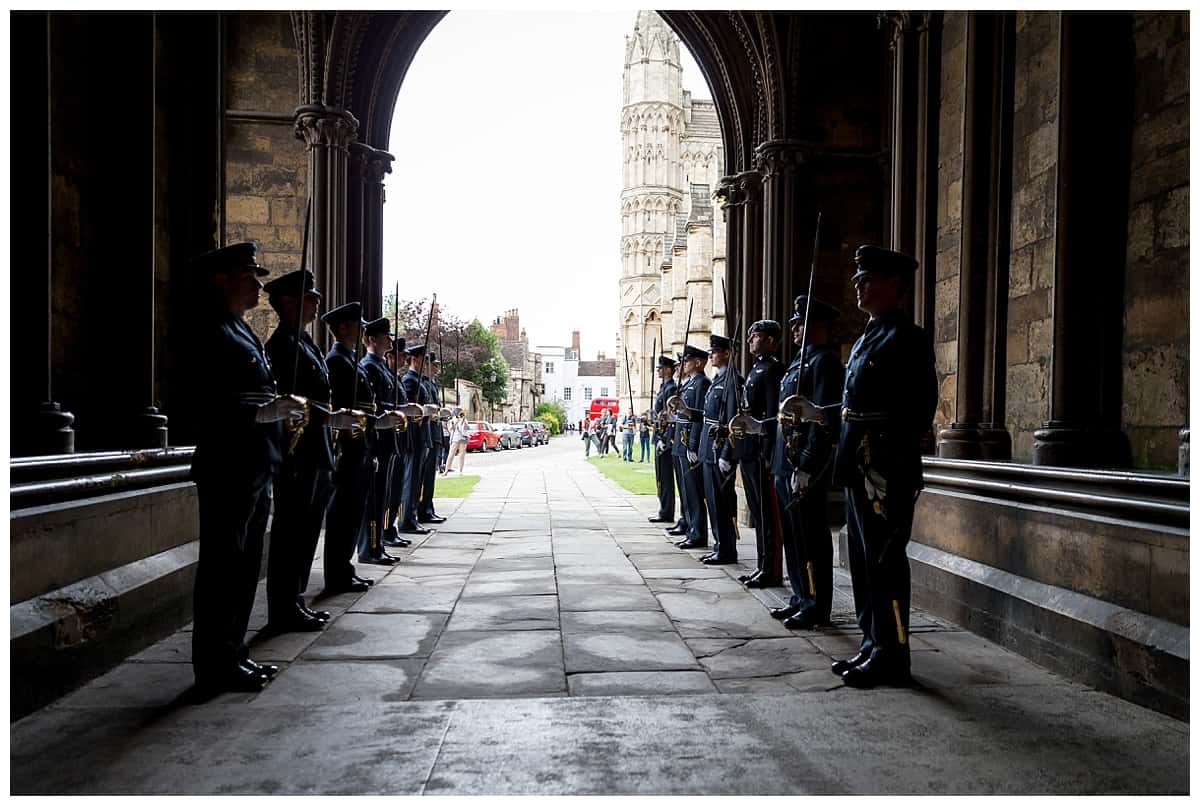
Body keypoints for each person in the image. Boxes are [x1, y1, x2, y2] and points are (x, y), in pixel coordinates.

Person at [187, 241, 297, 694]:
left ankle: (233, 653)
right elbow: (201, 401)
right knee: (222, 569)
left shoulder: (242, 329)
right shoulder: (209, 329)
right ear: (223, 279)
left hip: (254, 465)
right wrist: (260, 413)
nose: (257, 283)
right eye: (250, 274)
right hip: (228, 464)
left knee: (245, 565)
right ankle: (213, 665)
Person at [831, 245, 937, 688]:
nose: (859, 285)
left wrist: (887, 461)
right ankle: (874, 643)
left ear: (894, 284)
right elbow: (854, 404)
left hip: (885, 468)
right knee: (863, 558)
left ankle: (895, 654)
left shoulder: (907, 338)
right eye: (858, 279)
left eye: (867, 278)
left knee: (886, 559)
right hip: (861, 462)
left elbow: (920, 408)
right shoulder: (866, 337)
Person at [262, 268, 333, 635]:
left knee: (305, 532)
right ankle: (284, 606)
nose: (317, 301)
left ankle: (295, 599)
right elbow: (293, 402)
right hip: (297, 450)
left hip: (315, 447)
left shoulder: (306, 344)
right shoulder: (282, 346)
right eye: (310, 296)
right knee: (290, 533)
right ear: (288, 302)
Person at [770, 300, 843, 626]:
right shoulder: (799, 363)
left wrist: (808, 465)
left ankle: (816, 603)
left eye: (801, 323)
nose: (795, 328)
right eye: (795, 322)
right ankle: (801, 595)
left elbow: (822, 418)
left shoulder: (824, 362)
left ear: (820, 326)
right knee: (794, 535)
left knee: (811, 537)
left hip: (804, 463)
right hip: (786, 460)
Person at [321, 301, 379, 594]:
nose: (362, 331)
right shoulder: (337, 361)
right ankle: (337, 572)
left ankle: (345, 568)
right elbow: (344, 408)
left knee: (353, 512)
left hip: (361, 445)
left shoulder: (351, 361)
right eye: (358, 326)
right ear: (343, 327)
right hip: (349, 447)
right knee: (342, 514)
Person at [738, 320, 786, 589]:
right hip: (749, 449)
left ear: (770, 340)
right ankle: (761, 564)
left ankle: (772, 568)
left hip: (762, 451)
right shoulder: (756, 368)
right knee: (758, 512)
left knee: (769, 515)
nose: (750, 341)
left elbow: (771, 415)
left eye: (755, 336)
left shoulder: (773, 370)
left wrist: (768, 452)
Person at [357, 316, 403, 566]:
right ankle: (370, 546)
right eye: (386, 337)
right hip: (377, 437)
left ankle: (378, 545)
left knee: (382, 496)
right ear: (373, 339)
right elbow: (374, 404)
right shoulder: (370, 366)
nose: (390, 341)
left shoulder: (382, 367)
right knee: (373, 499)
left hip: (387, 437)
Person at [699, 333, 741, 564]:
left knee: (723, 502)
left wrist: (727, 454)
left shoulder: (732, 381)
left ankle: (726, 548)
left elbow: (733, 421)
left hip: (720, 448)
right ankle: (719, 544)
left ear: (727, 353)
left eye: (714, 352)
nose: (711, 355)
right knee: (712, 500)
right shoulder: (718, 380)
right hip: (709, 447)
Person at [672, 343, 711, 549]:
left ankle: (697, 532)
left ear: (698, 362)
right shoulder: (689, 384)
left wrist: (692, 445)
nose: (684, 364)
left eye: (687, 361)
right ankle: (691, 528)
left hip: (690, 442)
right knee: (686, 490)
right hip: (681, 440)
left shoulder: (702, 383)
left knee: (694, 492)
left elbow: (700, 417)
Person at [399, 344, 433, 535]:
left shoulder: (420, 381)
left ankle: (412, 517)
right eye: (424, 359)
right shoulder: (410, 381)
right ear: (415, 359)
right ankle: (406, 520)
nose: (426, 364)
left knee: (417, 481)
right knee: (410, 481)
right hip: (414, 436)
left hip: (423, 436)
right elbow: (412, 410)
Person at [648, 355, 678, 524]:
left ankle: (667, 511)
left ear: (668, 369)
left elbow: (670, 417)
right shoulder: (663, 387)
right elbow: (660, 415)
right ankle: (663, 508)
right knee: (660, 476)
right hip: (659, 436)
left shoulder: (670, 388)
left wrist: (663, 438)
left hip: (665, 439)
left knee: (665, 477)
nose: (658, 370)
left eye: (660, 368)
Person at [418, 354, 447, 524]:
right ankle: (423, 510)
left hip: (435, 433)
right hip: (428, 433)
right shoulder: (422, 383)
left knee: (430, 476)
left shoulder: (432, 384)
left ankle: (428, 508)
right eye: (433, 365)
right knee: (424, 477)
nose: (436, 368)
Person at [443, 409, 469, 474]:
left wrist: (463, 421)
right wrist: (456, 422)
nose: (460, 415)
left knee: (462, 455)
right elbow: (450, 429)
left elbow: (466, 429)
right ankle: (446, 470)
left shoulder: (464, 420)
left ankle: (461, 471)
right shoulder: (452, 420)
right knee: (451, 454)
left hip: (463, 438)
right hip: (455, 438)